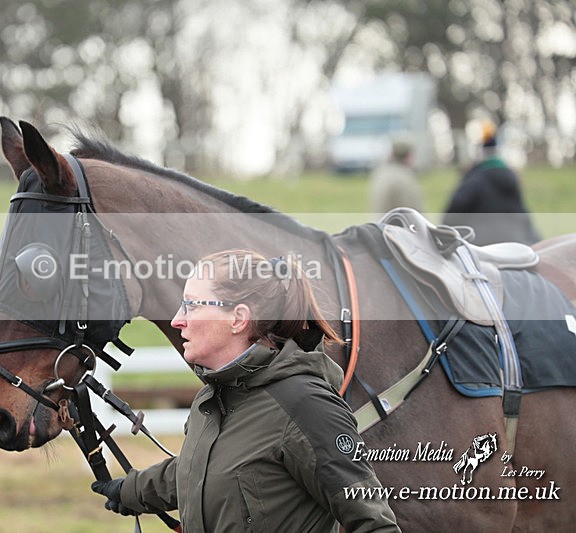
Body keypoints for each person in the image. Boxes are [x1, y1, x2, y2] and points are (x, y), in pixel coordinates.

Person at [92, 250, 400, 532]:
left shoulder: (307, 406)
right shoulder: (212, 398)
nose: (177, 320)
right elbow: (201, 469)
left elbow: (374, 523)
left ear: (238, 318)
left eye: (192, 305)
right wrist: (131, 491)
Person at [442, 120, 540, 245]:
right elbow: (523, 216)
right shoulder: (511, 179)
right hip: (514, 245)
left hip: (480, 247)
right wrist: (536, 242)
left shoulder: (473, 180)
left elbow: (452, 214)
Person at [369, 137, 423, 216]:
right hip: (399, 225)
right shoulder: (403, 178)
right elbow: (413, 211)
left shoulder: (380, 173)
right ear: (409, 156)